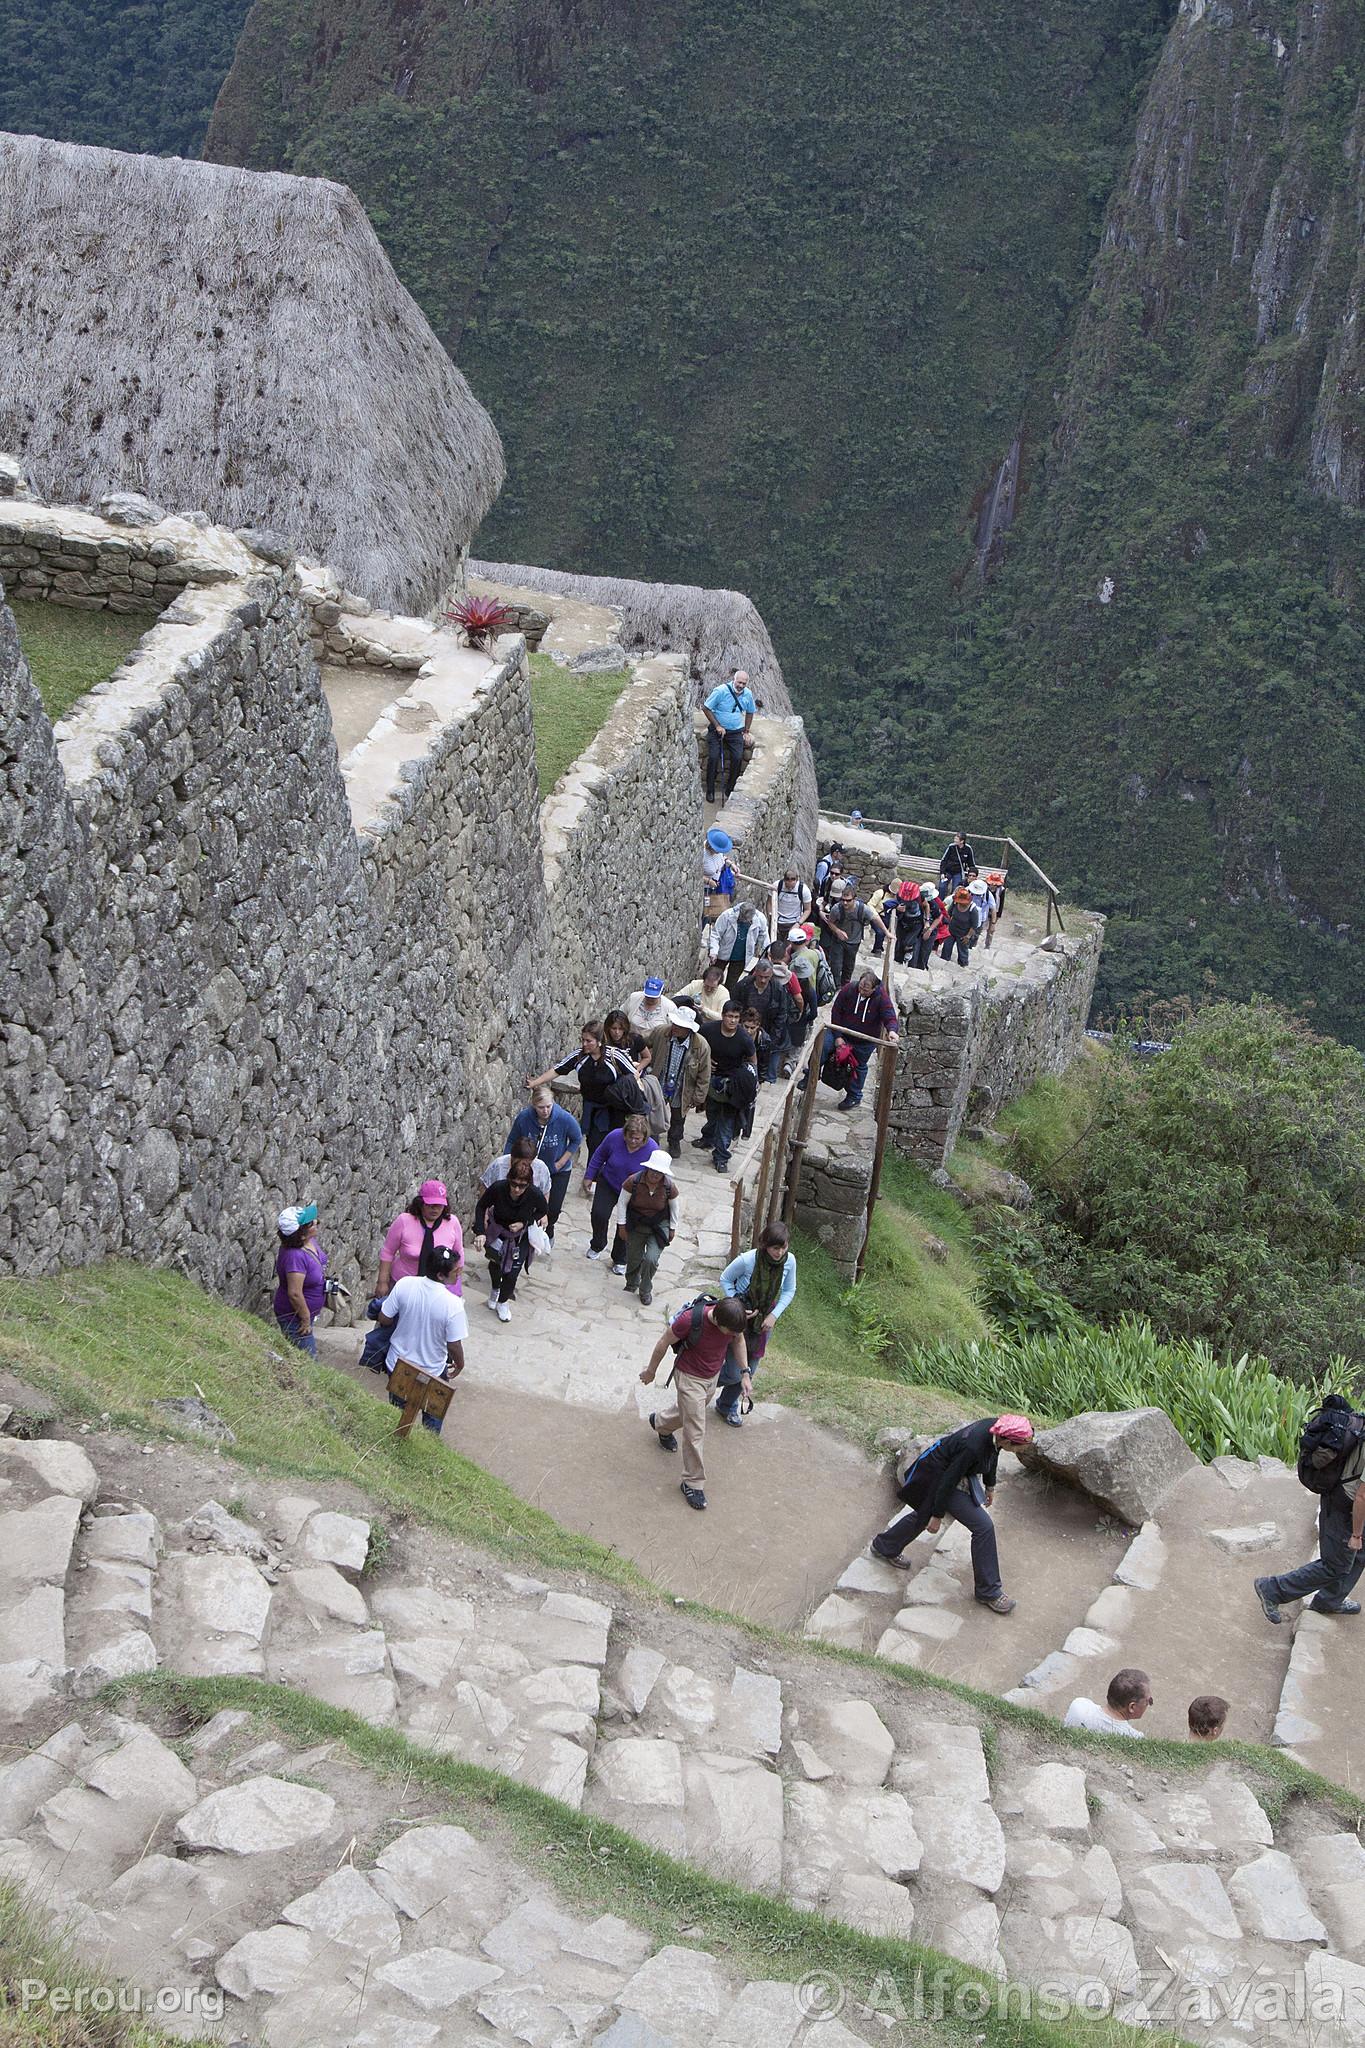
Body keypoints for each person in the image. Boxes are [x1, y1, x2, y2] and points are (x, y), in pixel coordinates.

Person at [869, 1415, 1035, 1613]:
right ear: (1007, 1440)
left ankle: (885, 1546)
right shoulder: (973, 1448)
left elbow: (994, 1453)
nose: (1022, 1451)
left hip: (952, 1472)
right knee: (983, 1527)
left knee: (924, 1514)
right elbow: (947, 1481)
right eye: (1020, 1447)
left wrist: (990, 1485)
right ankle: (989, 1592)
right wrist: (937, 1515)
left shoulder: (997, 1428)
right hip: (938, 1478)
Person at [640, 1294, 750, 1510]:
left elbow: (739, 1340)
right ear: (718, 1321)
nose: (734, 1335)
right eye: (730, 1331)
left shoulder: (732, 1324)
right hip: (689, 1377)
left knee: (690, 1415)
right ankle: (693, 1482)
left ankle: (661, 1423)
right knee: (696, 1429)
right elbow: (663, 1342)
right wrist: (651, 1371)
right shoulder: (690, 1320)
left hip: (712, 1376)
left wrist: (745, 1372)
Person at [1255, 1410, 1365, 1622]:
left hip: (1348, 1496)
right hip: (1343, 1503)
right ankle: (1272, 1589)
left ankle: (1329, 1601)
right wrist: (1356, 1535)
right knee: (1335, 1565)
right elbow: (1361, 1497)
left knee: (1360, 1554)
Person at [359, 1180, 464, 1372]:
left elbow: (459, 1256)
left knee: (431, 1329)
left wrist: (455, 1289)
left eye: (439, 1205)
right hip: (403, 1283)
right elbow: (388, 1252)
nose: (434, 1209)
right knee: (389, 1323)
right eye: (430, 1204)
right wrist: (382, 1282)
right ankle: (380, 1359)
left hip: (437, 1287)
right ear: (420, 1202)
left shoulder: (452, 1223)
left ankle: (426, 1363)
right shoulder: (404, 1221)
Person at [374, 1246, 466, 1435]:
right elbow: (454, 1344)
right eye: (456, 1270)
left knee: (397, 1415)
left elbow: (384, 1318)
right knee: (432, 1421)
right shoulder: (453, 1305)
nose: (459, 1273)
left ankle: (395, 1441)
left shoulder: (405, 1284)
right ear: (441, 1275)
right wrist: (460, 1363)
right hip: (432, 1370)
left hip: (399, 1365)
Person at [716, 1223, 796, 1425]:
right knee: (735, 1372)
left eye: (783, 1247)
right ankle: (700, 1383)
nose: (779, 1252)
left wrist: (774, 1315)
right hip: (739, 1319)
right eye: (775, 1248)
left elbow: (789, 1290)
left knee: (750, 1367)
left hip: (763, 1322)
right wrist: (737, 1305)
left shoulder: (789, 1261)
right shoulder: (748, 1260)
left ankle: (727, 1405)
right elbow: (725, 1279)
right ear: (765, 1245)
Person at [529, 1022, 635, 1157]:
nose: (584, 1044)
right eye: (583, 1040)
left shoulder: (615, 1056)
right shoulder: (579, 1057)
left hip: (614, 1110)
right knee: (594, 1144)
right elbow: (558, 1069)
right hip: (592, 1108)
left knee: (615, 1144)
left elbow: (633, 1075)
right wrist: (535, 1083)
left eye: (589, 1041)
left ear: (599, 1041)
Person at [473, 1152, 549, 1321]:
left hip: (519, 1237)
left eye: (521, 1186)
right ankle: (495, 1289)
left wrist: (525, 1222)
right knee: (495, 1264)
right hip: (498, 1231)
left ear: (528, 1184)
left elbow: (542, 1211)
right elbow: (481, 1206)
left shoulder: (534, 1194)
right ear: (508, 1179)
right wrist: (480, 1231)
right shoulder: (498, 1188)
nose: (516, 1189)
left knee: (513, 1271)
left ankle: (503, 1301)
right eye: (513, 1184)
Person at [814, 968, 900, 1109]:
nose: (861, 992)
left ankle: (854, 1096)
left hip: (864, 1041)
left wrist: (892, 1031)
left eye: (866, 990)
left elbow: (889, 1015)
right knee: (823, 1046)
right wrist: (838, 1036)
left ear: (874, 989)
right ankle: (811, 1074)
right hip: (842, 1032)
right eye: (860, 988)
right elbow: (836, 1010)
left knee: (858, 1067)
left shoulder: (881, 998)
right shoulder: (849, 989)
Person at [505, 1087, 582, 1241]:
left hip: (557, 1171)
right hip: (530, 1169)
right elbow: (512, 1140)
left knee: (553, 1207)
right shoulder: (524, 1118)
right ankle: (525, 1233)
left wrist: (560, 1163)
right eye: (541, 1107)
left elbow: (576, 1139)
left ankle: (549, 1230)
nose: (545, 1111)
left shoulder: (564, 1118)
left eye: (548, 1106)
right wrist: (510, 1162)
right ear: (533, 1105)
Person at [584, 1112, 654, 1265]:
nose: (633, 1141)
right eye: (630, 1137)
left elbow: (656, 1174)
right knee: (599, 1214)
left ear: (644, 1138)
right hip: (609, 1182)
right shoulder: (614, 1137)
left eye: (638, 1139)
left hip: (634, 1192)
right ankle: (598, 1243)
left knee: (626, 1224)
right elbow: (599, 1155)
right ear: (625, 1133)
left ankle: (620, 1258)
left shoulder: (652, 1149)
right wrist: (589, 1175)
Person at [696, 1002, 756, 1171]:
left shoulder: (744, 1039)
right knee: (712, 1112)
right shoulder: (708, 1030)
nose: (733, 1020)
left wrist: (750, 1084)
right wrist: (705, 1061)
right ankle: (708, 1137)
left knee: (726, 1121)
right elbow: (696, 1045)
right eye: (730, 1016)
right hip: (713, 1081)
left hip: (733, 1086)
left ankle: (721, 1156)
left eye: (736, 1017)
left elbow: (753, 1062)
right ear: (723, 1015)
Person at [615, 1149, 678, 1306]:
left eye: (659, 1172)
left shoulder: (669, 1187)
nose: (655, 1175)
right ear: (648, 1168)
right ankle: (631, 1283)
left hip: (658, 1225)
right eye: (653, 1170)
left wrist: (672, 1228)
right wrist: (621, 1225)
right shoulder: (633, 1181)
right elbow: (622, 1203)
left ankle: (645, 1290)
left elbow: (674, 1208)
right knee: (634, 1257)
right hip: (637, 1223)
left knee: (651, 1259)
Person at [649, 1008, 712, 1154]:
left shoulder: (701, 1046)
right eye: (674, 1023)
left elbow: (704, 1074)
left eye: (680, 1025)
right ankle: (652, 1139)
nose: (675, 1027)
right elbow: (645, 1043)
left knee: (678, 1117)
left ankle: (674, 1140)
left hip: (682, 1087)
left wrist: (698, 1097)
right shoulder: (661, 1032)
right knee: (654, 1111)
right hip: (660, 1081)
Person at [273, 1203, 326, 1354]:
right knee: (308, 1362)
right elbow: (294, 1293)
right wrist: (305, 1318)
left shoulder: (308, 1241)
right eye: (311, 1223)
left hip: (305, 1316)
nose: (316, 1222)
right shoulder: (294, 1257)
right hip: (295, 1319)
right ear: (301, 1234)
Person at [816, 881, 889, 990]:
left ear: (854, 899)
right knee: (836, 965)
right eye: (843, 900)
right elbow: (830, 922)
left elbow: (875, 917)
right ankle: (835, 986)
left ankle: (845, 987)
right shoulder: (836, 909)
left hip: (854, 942)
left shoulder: (862, 909)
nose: (845, 903)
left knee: (848, 966)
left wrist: (887, 933)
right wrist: (837, 931)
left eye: (848, 900)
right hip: (838, 941)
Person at [735, 957, 793, 1081]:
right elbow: (735, 1007)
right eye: (760, 976)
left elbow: (782, 1014)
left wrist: (773, 1038)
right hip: (746, 1031)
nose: (763, 980)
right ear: (755, 972)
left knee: (767, 1070)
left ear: (771, 974)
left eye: (766, 977)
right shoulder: (744, 986)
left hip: (769, 1033)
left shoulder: (777, 989)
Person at [702, 668, 756, 803]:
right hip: (717, 730)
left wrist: (746, 731)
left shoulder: (748, 694)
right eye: (739, 682)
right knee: (713, 757)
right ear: (734, 680)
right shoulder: (721, 691)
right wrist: (717, 726)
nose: (741, 686)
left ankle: (729, 788)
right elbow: (706, 708)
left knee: (737, 758)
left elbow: (750, 712)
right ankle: (710, 790)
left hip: (736, 731)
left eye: (744, 683)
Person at [1062, 1670, 1154, 1739]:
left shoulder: (1079, 1705)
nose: (1149, 1704)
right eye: (1149, 1701)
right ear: (1132, 1707)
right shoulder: (1134, 1738)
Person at [709, 898, 772, 992]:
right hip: (723, 953)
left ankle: (724, 1000)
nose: (746, 921)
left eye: (748, 920)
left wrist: (766, 951)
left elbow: (763, 935)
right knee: (713, 977)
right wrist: (714, 951)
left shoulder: (759, 919)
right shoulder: (727, 915)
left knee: (731, 982)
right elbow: (715, 934)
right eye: (744, 919)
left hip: (741, 957)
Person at [480, 1135, 552, 1202]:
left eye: (529, 1164)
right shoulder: (498, 1165)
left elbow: (545, 1192)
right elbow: (485, 1187)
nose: (524, 1167)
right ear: (512, 1157)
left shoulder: (541, 1168)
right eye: (521, 1163)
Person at [631, 1034, 670, 1143]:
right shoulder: (661, 1032)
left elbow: (647, 1056)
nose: (617, 1032)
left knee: (649, 1116)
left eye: (619, 1029)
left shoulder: (635, 1039)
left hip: (643, 1085)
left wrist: (636, 1070)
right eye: (614, 1029)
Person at [773, 864, 812, 943]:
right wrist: (772, 919)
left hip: (794, 922)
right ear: (784, 881)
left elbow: (807, 909)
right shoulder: (777, 886)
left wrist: (798, 923)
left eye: (792, 887)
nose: (790, 889)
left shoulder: (803, 890)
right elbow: (770, 903)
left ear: (796, 880)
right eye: (788, 887)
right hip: (778, 922)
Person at [892, 880, 927, 967]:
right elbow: (894, 904)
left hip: (916, 923)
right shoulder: (899, 896)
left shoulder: (920, 897)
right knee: (900, 942)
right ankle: (897, 963)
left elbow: (926, 906)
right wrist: (897, 908)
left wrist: (927, 921)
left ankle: (908, 953)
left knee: (908, 942)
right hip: (903, 922)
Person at [702, 825, 736, 913]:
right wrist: (709, 881)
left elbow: (722, 858)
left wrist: (731, 864)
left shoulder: (717, 853)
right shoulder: (702, 855)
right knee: (706, 912)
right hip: (706, 889)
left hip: (717, 886)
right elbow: (695, 874)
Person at [941, 887, 976, 967]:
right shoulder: (955, 903)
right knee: (947, 947)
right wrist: (946, 926)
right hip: (952, 930)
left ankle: (963, 965)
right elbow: (949, 914)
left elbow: (974, 925)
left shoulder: (973, 910)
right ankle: (943, 962)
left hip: (964, 933)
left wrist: (968, 936)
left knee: (962, 951)